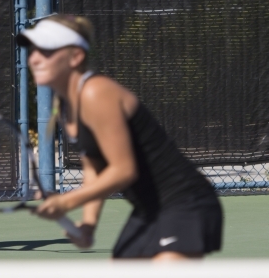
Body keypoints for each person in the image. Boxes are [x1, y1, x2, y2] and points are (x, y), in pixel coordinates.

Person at [16, 14, 222, 260]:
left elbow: (124, 170)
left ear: (76, 57)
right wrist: (89, 224)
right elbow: (95, 168)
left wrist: (66, 202)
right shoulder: (66, 106)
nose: (34, 59)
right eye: (33, 50)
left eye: (46, 51)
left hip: (185, 202)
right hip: (148, 210)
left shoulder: (96, 92)